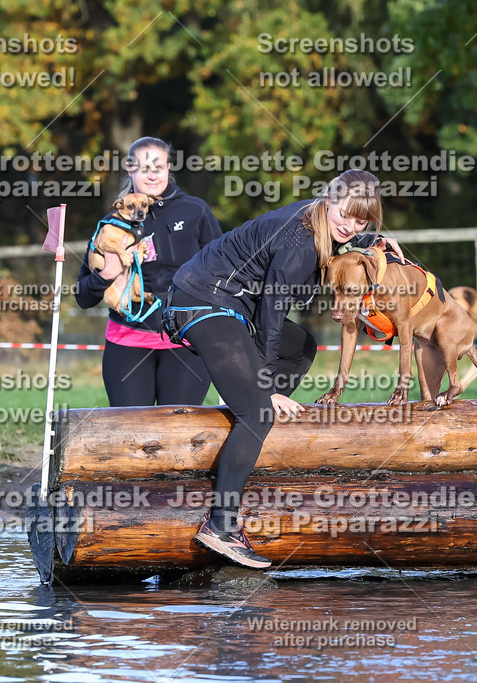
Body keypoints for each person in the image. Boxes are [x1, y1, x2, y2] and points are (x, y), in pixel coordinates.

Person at [165, 169, 398, 569]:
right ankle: (221, 527)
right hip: (203, 299)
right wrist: (266, 385)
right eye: (345, 214)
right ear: (329, 199)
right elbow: (273, 315)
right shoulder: (300, 242)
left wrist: (370, 241)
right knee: (257, 409)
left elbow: (343, 237)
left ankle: (255, 425)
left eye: (362, 221)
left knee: (303, 345)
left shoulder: (323, 224)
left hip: (237, 307)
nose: (350, 225)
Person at [75, 137, 223, 406]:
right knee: (131, 435)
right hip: (127, 341)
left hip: (186, 341)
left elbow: (223, 274)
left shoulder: (196, 211)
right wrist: (108, 272)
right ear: (130, 169)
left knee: (179, 435)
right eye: (144, 168)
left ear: (168, 168)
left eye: (159, 166)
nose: (152, 174)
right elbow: (83, 296)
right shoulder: (111, 223)